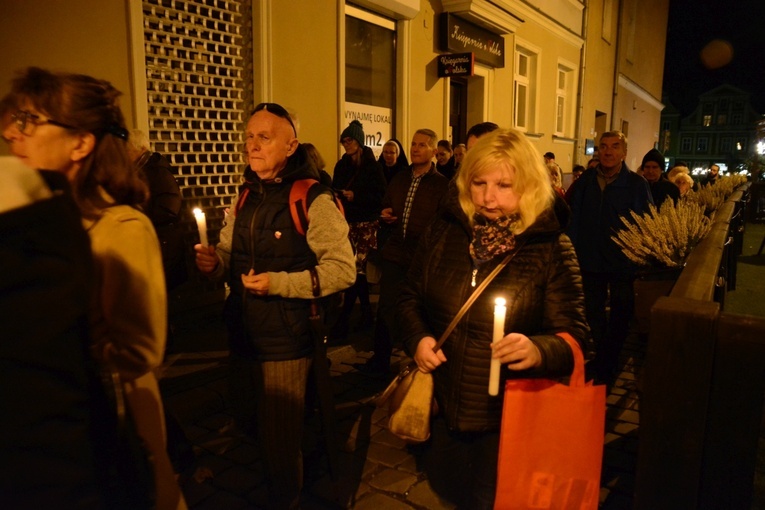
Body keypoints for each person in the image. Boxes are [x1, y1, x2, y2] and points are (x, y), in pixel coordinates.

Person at [2, 66, 185, 509]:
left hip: (109, 427)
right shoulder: (34, 225)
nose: (12, 135)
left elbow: (139, 351)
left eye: (29, 121)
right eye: (12, 121)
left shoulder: (119, 227)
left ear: (80, 142)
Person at [397, 128, 587, 508]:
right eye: (479, 182)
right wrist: (418, 338)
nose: (487, 197)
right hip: (444, 405)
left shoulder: (550, 246)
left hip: (508, 419)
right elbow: (407, 298)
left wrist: (538, 350)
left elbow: (576, 337)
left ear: (529, 185)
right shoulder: (443, 229)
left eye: (503, 185)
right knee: (448, 489)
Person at [194, 102, 355, 508]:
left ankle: (287, 499)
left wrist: (280, 284)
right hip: (243, 331)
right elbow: (230, 255)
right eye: (249, 136)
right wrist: (216, 264)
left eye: (264, 137)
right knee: (250, 424)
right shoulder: (246, 194)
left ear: (290, 146)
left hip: (285, 338)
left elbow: (342, 270)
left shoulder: (313, 198)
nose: (252, 145)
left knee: (281, 442)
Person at [353, 128, 449, 376]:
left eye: (422, 145)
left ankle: (418, 359)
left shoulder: (441, 185)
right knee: (387, 307)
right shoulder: (400, 178)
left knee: (419, 310)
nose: (416, 149)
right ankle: (380, 358)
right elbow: (386, 203)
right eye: (414, 144)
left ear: (433, 151)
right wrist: (385, 214)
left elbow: (443, 222)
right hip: (396, 253)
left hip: (422, 257)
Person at [566, 130, 653, 386]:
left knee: (620, 313)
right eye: (603, 146)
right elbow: (573, 218)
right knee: (592, 313)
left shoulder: (637, 185)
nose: (607, 151)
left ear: (624, 152)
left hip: (622, 262)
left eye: (614, 146)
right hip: (589, 259)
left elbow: (646, 223)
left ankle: (610, 360)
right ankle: (602, 360)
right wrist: (572, 250)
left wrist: (638, 256)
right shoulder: (586, 181)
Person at [330, 120, 387, 337]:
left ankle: (344, 320)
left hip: (366, 224)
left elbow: (380, 195)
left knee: (357, 271)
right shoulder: (341, 165)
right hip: (348, 223)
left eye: (349, 140)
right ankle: (364, 314)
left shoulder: (372, 166)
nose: (346, 144)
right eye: (343, 140)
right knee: (356, 271)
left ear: (359, 142)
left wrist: (357, 196)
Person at [127, 129, 188, 292]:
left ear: (138, 148)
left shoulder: (156, 172)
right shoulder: (145, 171)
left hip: (163, 250)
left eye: (126, 149)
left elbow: (168, 210)